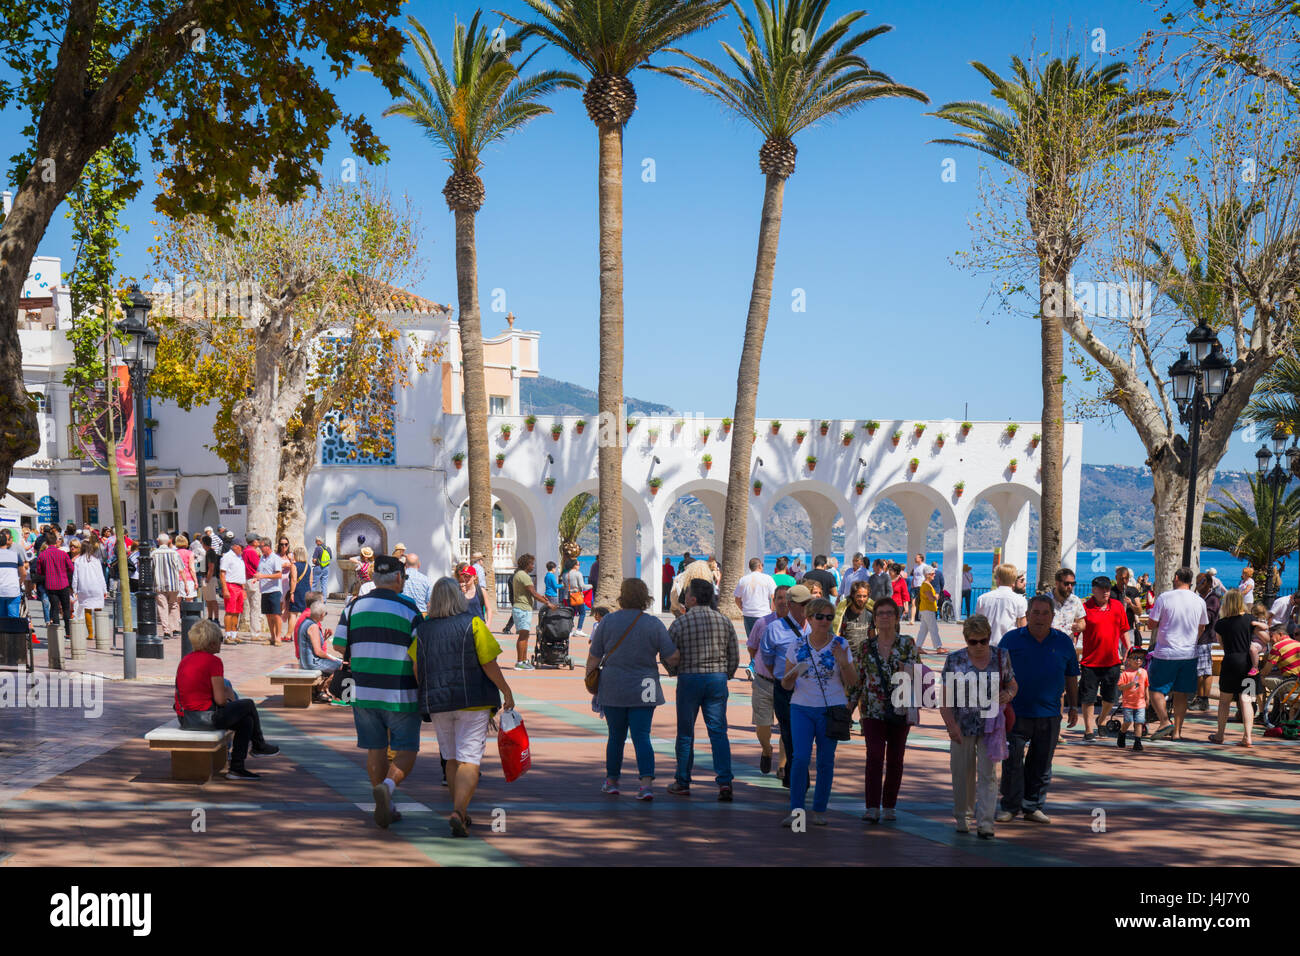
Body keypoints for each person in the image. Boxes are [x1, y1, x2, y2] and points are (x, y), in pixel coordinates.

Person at [415, 576, 515, 837]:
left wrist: (425, 691)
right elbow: (488, 663)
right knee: (470, 759)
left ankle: (461, 810)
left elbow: (417, 667)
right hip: (473, 701)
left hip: (438, 703)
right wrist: (506, 690)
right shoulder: (473, 624)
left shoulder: (423, 630)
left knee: (450, 757)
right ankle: (459, 811)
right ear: (458, 598)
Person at [334, 555, 423, 829]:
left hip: (363, 691)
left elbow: (339, 646)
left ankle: (382, 803)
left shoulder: (354, 607)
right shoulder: (410, 609)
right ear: (399, 578)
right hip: (401, 692)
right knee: (406, 748)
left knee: (375, 748)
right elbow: (420, 652)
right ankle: (388, 787)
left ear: (373, 578)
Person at [589, 579, 679, 800]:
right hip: (645, 686)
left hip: (613, 686)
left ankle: (612, 781)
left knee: (615, 737)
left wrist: (590, 683)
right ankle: (646, 784)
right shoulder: (653, 624)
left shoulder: (607, 622)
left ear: (622, 595)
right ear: (644, 597)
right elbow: (672, 656)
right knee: (642, 736)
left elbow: (594, 656)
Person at [996, 595, 1080, 824]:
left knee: (1042, 762)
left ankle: (1033, 807)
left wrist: (1073, 706)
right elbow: (997, 674)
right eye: (1036, 612)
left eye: (1045, 613)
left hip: (1049, 714)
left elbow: (1072, 676)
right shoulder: (1011, 639)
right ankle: (1009, 806)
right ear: (1028, 614)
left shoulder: (1063, 641)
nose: (1040, 618)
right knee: (1012, 761)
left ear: (1053, 617)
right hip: (1015, 712)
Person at [780, 596, 857, 827]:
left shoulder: (840, 644)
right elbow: (785, 685)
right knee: (800, 758)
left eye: (829, 617)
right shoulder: (796, 645)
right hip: (801, 708)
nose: (825, 621)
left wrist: (843, 662)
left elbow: (853, 682)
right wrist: (791, 676)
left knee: (825, 761)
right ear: (809, 618)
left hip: (831, 708)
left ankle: (820, 809)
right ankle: (796, 811)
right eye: (820, 617)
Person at [940, 614, 1017, 839]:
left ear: (989, 637)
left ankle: (985, 822)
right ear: (966, 640)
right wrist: (950, 725)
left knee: (989, 774)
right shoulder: (955, 660)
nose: (979, 646)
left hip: (991, 726)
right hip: (962, 724)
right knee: (961, 772)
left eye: (983, 640)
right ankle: (963, 817)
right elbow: (945, 697)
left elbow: (1013, 683)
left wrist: (1009, 693)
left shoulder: (1001, 657)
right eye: (973, 641)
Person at [174, 620, 280, 779]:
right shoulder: (214, 661)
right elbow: (221, 700)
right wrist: (229, 695)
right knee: (248, 704)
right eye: (220, 640)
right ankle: (258, 745)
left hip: (186, 719)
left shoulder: (186, 660)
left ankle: (237, 768)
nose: (221, 644)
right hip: (206, 718)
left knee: (247, 721)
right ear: (211, 643)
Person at [666, 579, 739, 800]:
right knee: (717, 732)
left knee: (686, 732)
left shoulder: (680, 623)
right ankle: (725, 782)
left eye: (687, 594)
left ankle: (683, 780)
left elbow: (668, 653)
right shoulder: (724, 621)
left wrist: (673, 671)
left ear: (693, 599)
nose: (684, 597)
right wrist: (726, 674)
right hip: (716, 679)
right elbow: (734, 654)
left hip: (689, 678)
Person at [857, 596, 919, 823]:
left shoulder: (907, 643)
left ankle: (890, 805)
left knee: (896, 758)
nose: (884, 617)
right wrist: (848, 706)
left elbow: (919, 672)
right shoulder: (866, 646)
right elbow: (859, 678)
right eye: (880, 613)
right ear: (874, 619)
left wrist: (907, 669)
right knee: (874, 755)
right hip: (872, 709)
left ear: (897, 617)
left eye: (889, 613)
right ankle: (872, 806)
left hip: (900, 707)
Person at [759, 583, 812, 789]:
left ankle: (794, 775)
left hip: (811, 690)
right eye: (802, 604)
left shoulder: (817, 625)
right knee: (790, 735)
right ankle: (799, 779)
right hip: (786, 690)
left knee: (805, 735)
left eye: (809, 603)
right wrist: (782, 679)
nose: (806, 607)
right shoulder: (774, 629)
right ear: (790, 605)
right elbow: (768, 658)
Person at [1146, 567, 1208, 741]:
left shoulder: (1165, 598)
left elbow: (1151, 624)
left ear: (1177, 577)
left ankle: (1165, 721)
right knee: (1182, 693)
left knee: (1155, 690)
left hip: (1166, 652)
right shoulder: (1199, 601)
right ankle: (1178, 732)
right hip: (1189, 653)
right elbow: (1202, 627)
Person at [1079, 575, 1130, 740]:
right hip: (1090, 662)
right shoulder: (1085, 608)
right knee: (1088, 698)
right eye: (1102, 589)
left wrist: (1128, 648)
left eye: (1108, 588)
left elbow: (1123, 630)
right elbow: (1076, 632)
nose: (1106, 592)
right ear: (1093, 590)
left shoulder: (1117, 606)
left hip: (1112, 661)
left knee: (1110, 698)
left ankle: (1101, 720)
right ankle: (1088, 730)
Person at [748, 584, 790, 776]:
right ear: (774, 601)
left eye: (786, 598)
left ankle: (782, 765)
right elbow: (752, 647)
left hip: (788, 685)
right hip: (764, 682)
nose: (782, 601)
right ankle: (766, 749)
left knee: (786, 727)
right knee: (762, 725)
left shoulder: (800, 625)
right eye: (779, 598)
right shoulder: (762, 623)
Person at [1209, 588, 1256, 747]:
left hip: (1230, 662)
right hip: (1248, 663)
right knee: (1246, 700)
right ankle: (1248, 736)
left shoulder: (1221, 624)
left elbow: (1222, 644)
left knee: (1224, 701)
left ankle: (1220, 734)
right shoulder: (1251, 619)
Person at [510, 553, 554, 669]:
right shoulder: (524, 576)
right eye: (531, 564)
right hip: (522, 608)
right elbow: (533, 593)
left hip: (523, 608)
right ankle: (519, 662)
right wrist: (547, 603)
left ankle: (524, 661)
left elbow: (532, 593)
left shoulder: (519, 574)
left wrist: (542, 598)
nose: (533, 566)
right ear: (526, 564)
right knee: (523, 636)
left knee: (525, 636)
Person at [296, 597, 342, 702]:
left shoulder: (306, 622)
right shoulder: (313, 626)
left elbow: (311, 644)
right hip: (311, 662)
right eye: (325, 614)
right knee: (341, 666)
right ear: (321, 614)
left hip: (306, 661)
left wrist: (324, 638)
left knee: (338, 662)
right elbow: (318, 652)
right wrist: (334, 659)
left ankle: (319, 690)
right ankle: (321, 689)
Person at [976, 563, 1028, 647]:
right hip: (1009, 646)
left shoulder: (982, 599)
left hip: (986, 646)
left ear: (998, 579)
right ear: (1013, 580)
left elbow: (977, 625)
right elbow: (1022, 628)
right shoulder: (1020, 600)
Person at [35, 529, 74, 640]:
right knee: (66, 609)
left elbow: (40, 572)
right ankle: (68, 633)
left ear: (46, 543)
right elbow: (71, 568)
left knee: (55, 608)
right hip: (63, 583)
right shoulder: (63, 554)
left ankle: (57, 632)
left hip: (51, 585)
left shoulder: (42, 555)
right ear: (56, 542)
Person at [1193, 572, 1221, 712]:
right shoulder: (1200, 598)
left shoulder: (1213, 599)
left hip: (1205, 638)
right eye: (1197, 582)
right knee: (1201, 670)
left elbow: (1209, 617)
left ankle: (1203, 698)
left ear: (1209, 584)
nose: (1198, 585)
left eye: (1202, 582)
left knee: (1204, 670)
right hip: (1198, 638)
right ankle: (1200, 697)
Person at [72, 535, 108, 638]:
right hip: (96, 587)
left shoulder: (78, 561)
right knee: (98, 608)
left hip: (84, 588)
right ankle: (99, 631)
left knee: (87, 609)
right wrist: (104, 589)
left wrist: (75, 589)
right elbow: (101, 576)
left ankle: (91, 633)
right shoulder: (96, 560)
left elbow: (75, 577)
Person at [1115, 647, 1149, 750]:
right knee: (1128, 721)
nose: (1138, 660)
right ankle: (1122, 733)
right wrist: (1129, 685)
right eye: (1135, 657)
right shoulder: (1126, 673)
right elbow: (1120, 686)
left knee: (1139, 722)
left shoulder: (1143, 672)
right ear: (1129, 660)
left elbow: (1146, 685)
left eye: (1141, 658)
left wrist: (1147, 698)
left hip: (1140, 703)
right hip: (1128, 703)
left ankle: (1137, 742)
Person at [734, 557, 776, 639]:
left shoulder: (743, 580)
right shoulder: (767, 578)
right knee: (764, 640)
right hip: (764, 614)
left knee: (751, 641)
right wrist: (772, 610)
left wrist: (743, 608)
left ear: (750, 567)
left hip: (748, 615)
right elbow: (773, 596)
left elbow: (737, 598)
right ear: (760, 566)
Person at [254, 539, 287, 646]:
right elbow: (260, 571)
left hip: (274, 590)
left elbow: (279, 575)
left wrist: (263, 576)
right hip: (264, 590)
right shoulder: (262, 558)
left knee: (276, 615)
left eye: (261, 546)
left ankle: (278, 638)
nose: (260, 548)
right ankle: (272, 637)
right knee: (268, 615)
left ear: (268, 546)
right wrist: (257, 578)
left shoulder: (275, 559)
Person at [1048, 568, 1086, 645]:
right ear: (1057, 583)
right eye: (1066, 583)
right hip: (1047, 645)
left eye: (1072, 584)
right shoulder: (1045, 600)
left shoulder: (1075, 600)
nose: (1070, 587)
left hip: (1067, 646)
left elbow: (1082, 622)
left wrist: (1079, 627)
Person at [218, 540, 246, 644]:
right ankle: (227, 635)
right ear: (234, 546)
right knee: (229, 611)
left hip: (239, 586)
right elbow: (222, 574)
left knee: (237, 611)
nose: (242, 549)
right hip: (231, 585)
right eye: (240, 547)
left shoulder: (239, 557)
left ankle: (234, 634)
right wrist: (225, 589)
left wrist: (243, 589)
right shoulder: (227, 557)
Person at [1112, 566, 1143, 649]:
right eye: (1121, 579)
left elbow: (1139, 611)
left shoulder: (1133, 591)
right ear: (1116, 578)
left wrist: (1131, 604)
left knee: (1129, 655)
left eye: (1126, 579)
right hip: (1114, 629)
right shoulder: (1111, 592)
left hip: (1129, 629)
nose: (1124, 581)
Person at [0, 528, 28, 617]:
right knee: (13, 619)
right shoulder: (15, 555)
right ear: (6, 542)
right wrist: (18, 583)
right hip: (13, 590)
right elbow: (24, 573)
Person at [915, 566, 943, 653]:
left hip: (925, 609)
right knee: (933, 628)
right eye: (932, 574)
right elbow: (931, 598)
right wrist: (937, 596)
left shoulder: (926, 584)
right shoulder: (926, 585)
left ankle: (918, 646)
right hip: (928, 609)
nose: (934, 575)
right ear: (927, 575)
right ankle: (938, 647)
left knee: (924, 629)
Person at [456, 562, 490, 627]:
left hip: (479, 626)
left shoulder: (481, 590)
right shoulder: (459, 591)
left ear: (474, 577)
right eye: (465, 576)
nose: (466, 578)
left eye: (469, 576)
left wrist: (488, 624)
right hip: (464, 627)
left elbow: (489, 609)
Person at [242, 534, 264, 634]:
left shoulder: (245, 551)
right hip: (253, 580)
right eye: (257, 540)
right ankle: (256, 632)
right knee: (256, 607)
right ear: (253, 541)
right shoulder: (252, 552)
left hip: (246, 579)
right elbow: (258, 566)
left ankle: (253, 630)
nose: (258, 541)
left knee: (251, 606)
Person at [561, 558, 588, 636]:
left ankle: (569, 630)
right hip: (577, 596)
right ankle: (579, 629)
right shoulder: (578, 573)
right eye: (578, 564)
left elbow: (564, 586)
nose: (579, 566)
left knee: (570, 613)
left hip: (567, 596)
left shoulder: (565, 574)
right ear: (574, 565)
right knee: (582, 613)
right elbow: (582, 585)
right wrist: (590, 586)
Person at [201, 533, 222, 623]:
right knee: (208, 599)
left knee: (213, 599)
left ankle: (216, 618)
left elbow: (211, 567)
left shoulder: (210, 553)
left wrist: (207, 579)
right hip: (208, 577)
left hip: (210, 578)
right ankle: (210, 617)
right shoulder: (209, 552)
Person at [175, 533, 198, 602]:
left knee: (177, 602)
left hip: (177, 578)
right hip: (189, 578)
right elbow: (191, 568)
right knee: (189, 600)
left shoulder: (174, 553)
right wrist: (196, 581)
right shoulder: (190, 553)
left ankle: (178, 613)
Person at [289, 546, 311, 616]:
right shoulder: (308, 566)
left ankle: (293, 627)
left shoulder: (294, 566)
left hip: (297, 591)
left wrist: (292, 593)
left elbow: (294, 580)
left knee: (293, 613)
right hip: (307, 591)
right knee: (305, 613)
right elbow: (311, 581)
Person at [908, 553, 928, 622]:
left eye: (917, 557)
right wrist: (912, 583)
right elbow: (914, 576)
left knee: (922, 602)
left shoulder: (924, 566)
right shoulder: (915, 566)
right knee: (913, 603)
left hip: (921, 586)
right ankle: (912, 619)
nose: (915, 558)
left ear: (921, 559)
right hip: (915, 587)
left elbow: (927, 576)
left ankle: (924, 618)